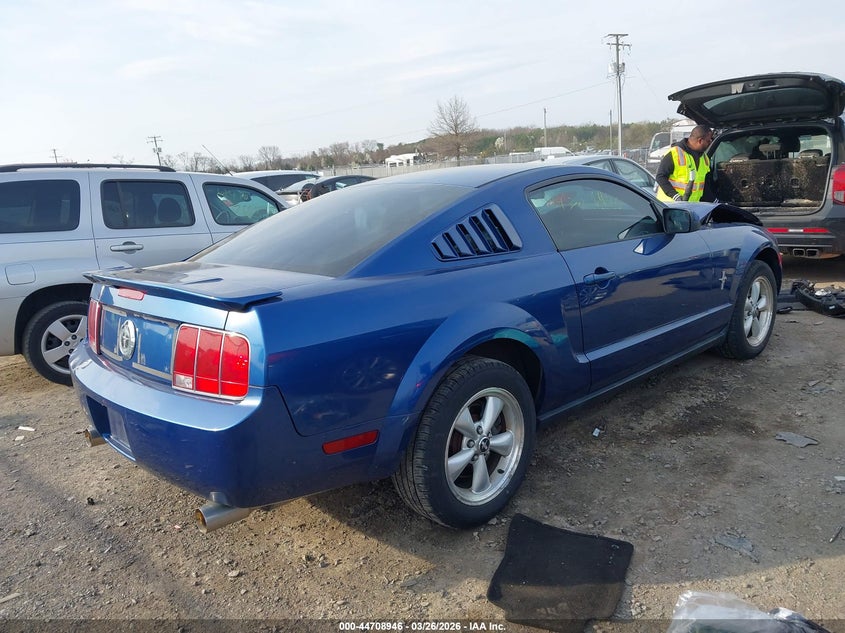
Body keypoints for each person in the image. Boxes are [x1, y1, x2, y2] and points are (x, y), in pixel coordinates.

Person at [655, 125, 714, 202]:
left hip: (691, 207)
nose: (710, 142)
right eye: (708, 140)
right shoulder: (675, 153)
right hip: (670, 205)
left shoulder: (704, 158)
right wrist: (676, 196)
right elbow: (660, 177)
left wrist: (715, 201)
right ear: (700, 141)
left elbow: (703, 185)